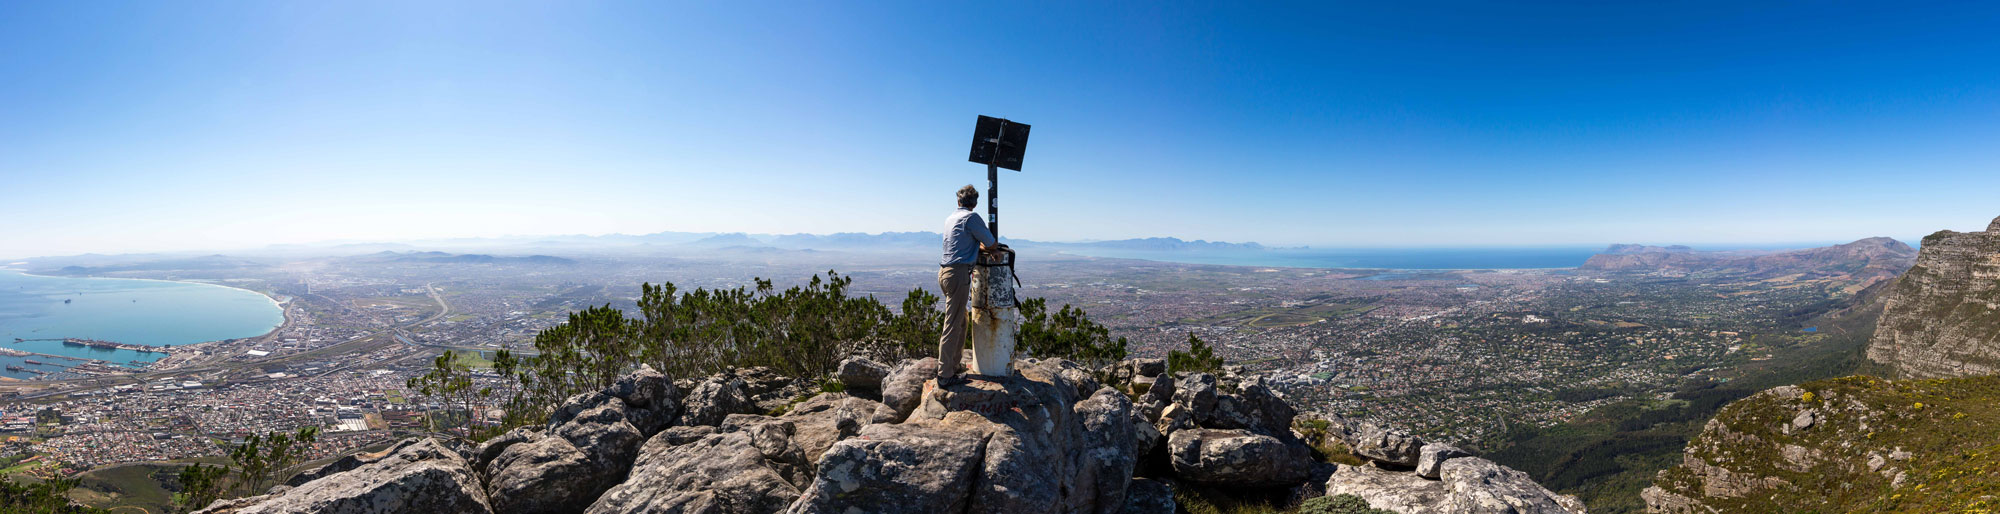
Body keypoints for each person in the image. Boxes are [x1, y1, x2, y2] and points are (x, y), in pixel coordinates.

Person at [938, 184, 995, 386]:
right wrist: (985, 247)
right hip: (958, 274)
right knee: (953, 324)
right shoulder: (971, 218)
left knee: (961, 320)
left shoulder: (950, 218)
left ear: (958, 201)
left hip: (945, 272)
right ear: (975, 203)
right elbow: (991, 243)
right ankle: (945, 375)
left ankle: (953, 366)